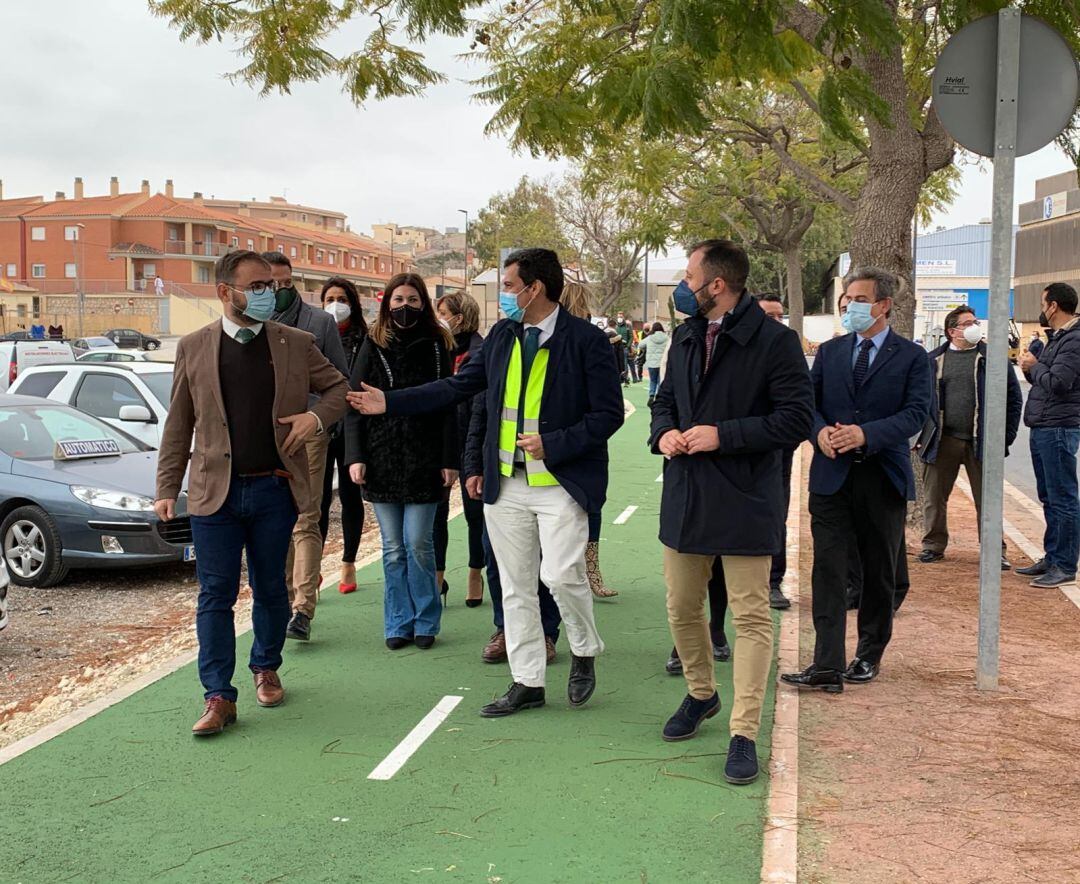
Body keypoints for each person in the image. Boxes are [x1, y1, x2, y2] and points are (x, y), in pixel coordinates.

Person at [349, 248, 624, 716]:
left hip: (561, 482)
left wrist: (554, 443)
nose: (504, 296)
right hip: (507, 485)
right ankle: (528, 681)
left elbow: (608, 415)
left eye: (510, 286)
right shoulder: (501, 337)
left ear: (534, 288)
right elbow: (458, 389)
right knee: (515, 585)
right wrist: (390, 403)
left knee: (560, 575)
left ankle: (583, 649)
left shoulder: (586, 342)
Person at [155, 250, 348, 737]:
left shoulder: (295, 342)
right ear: (226, 292)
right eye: (257, 285)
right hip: (212, 494)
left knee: (270, 588)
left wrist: (315, 417)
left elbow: (340, 389)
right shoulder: (195, 347)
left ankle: (266, 665)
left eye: (271, 285)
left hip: (274, 488)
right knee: (214, 595)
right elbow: (179, 423)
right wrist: (166, 486)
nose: (269, 293)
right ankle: (218, 695)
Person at [650, 240, 813, 786]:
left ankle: (744, 731)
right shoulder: (685, 335)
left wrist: (724, 435)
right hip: (688, 494)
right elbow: (664, 400)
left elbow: (794, 420)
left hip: (745, 497)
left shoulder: (776, 341)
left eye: (688, 274)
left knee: (748, 617)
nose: (682, 282)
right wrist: (664, 433)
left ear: (715, 284)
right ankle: (701, 693)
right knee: (681, 608)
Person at [782, 267, 931, 695]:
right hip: (831, 478)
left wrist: (868, 434)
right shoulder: (830, 352)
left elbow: (917, 413)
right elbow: (807, 404)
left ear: (883, 305)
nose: (849, 305)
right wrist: (819, 432)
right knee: (827, 570)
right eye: (846, 299)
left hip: (882, 478)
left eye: (858, 299)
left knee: (877, 570)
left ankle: (868, 653)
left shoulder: (912, 357)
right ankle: (826, 663)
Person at [345, 273, 458, 650]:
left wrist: (449, 458)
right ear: (386, 303)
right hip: (381, 455)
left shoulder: (439, 344)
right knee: (393, 547)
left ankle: (427, 619)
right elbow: (355, 403)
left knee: (418, 543)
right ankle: (398, 621)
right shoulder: (371, 342)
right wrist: (355, 456)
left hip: (425, 456)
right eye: (397, 300)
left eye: (412, 300)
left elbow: (448, 404)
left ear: (423, 303)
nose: (404, 307)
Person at [262, 252, 349, 642]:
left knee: (306, 516)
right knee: (273, 518)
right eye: (270, 284)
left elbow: (339, 380)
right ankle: (278, 599)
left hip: (310, 432)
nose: (279, 291)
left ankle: (302, 609)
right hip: (264, 435)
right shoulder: (252, 324)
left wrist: (319, 421)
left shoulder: (319, 322)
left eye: (285, 282)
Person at [916, 305, 1021, 570]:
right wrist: (919, 436)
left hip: (982, 441)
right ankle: (933, 545)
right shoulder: (933, 361)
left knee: (988, 499)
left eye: (975, 321)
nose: (975, 326)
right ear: (952, 331)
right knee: (934, 497)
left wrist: (1004, 438)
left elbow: (1013, 399)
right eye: (968, 323)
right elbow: (918, 402)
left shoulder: (992, 359)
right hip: (942, 440)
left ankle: (994, 551)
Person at [465, 394, 562, 665]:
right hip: (502, 477)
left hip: (551, 479)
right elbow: (479, 415)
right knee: (497, 560)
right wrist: (473, 466)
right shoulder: (492, 351)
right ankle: (506, 629)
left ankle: (546, 633)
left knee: (546, 563)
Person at [1016, 282, 1080, 588]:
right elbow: (1045, 380)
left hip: (1059, 428)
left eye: (1043, 303)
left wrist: (1036, 365)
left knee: (1063, 497)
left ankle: (1065, 564)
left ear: (1053, 306)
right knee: (1049, 498)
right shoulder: (1059, 339)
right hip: (1044, 425)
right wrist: (1031, 368)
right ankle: (1052, 557)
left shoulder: (1074, 340)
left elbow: (1059, 382)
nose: (1042, 308)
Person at [562, 285, 618, 598]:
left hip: (583, 439)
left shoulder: (588, 340)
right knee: (590, 508)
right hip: (584, 440)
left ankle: (589, 571)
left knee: (589, 507)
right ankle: (589, 572)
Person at [433, 292, 486, 607]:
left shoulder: (480, 351)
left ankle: (474, 571)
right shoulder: (436, 349)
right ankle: (437, 577)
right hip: (441, 441)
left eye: (444, 312)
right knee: (436, 513)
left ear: (461, 318)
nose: (440, 317)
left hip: (469, 440)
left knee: (474, 512)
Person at [318, 278, 369, 594]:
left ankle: (348, 562)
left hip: (352, 427)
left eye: (341, 298)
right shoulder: (312, 337)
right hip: (322, 427)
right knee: (318, 500)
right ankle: (314, 566)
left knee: (351, 497)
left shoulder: (365, 339)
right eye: (329, 298)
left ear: (352, 302)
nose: (335, 304)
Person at [756, 293, 795, 609]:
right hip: (738, 450)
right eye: (768, 315)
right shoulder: (738, 350)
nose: (775, 320)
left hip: (776, 450)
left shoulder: (787, 345)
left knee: (775, 515)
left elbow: (797, 406)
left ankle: (773, 582)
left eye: (779, 315)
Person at [639, 321, 669, 406]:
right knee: (660, 381)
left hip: (652, 363)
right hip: (662, 363)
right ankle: (659, 398)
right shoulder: (667, 338)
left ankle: (651, 395)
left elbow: (640, 345)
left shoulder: (649, 338)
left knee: (652, 380)